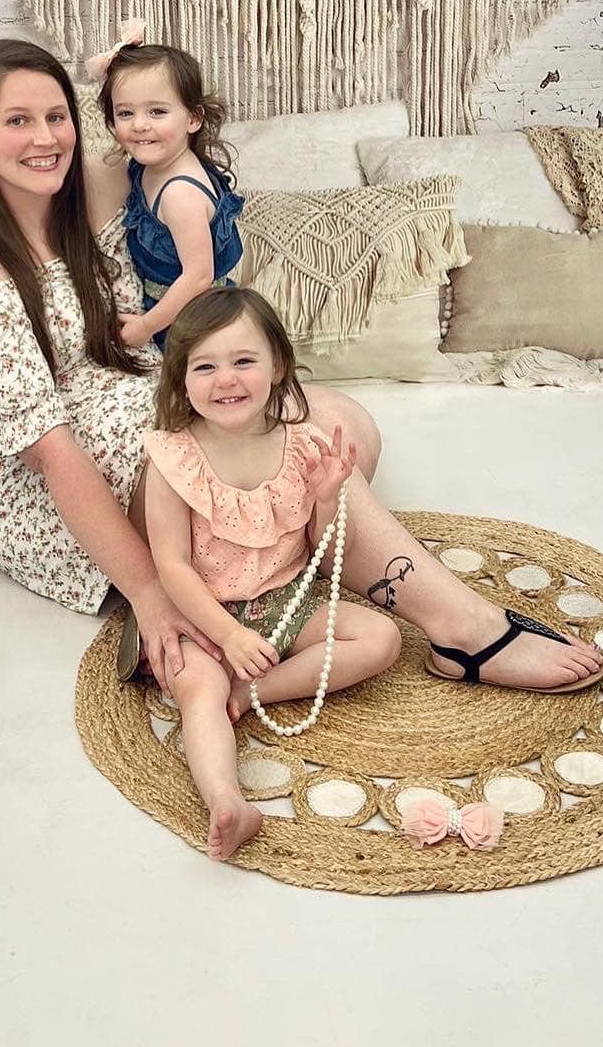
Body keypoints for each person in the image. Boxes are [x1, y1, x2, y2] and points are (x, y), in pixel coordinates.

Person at [0, 38, 603, 698]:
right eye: (16, 120)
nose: (44, 138)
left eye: (56, 117)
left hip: (138, 388)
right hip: (52, 464)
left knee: (347, 427)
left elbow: (159, 125)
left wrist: (121, 67)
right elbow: (52, 455)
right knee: (290, 446)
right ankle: (464, 627)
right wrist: (147, 592)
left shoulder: (98, 184)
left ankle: (256, 566)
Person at [143, 287, 402, 861]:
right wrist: (229, 635)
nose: (225, 380)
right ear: (181, 379)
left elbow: (327, 553)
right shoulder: (172, 458)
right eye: (204, 366)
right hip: (205, 615)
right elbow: (171, 566)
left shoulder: (303, 446)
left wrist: (330, 497)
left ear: (278, 364)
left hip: (286, 601)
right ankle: (226, 801)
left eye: (243, 361)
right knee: (198, 694)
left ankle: (252, 691)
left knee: (381, 637)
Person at [88, 25, 243, 350]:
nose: (139, 124)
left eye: (157, 111)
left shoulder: (180, 194)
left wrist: (144, 327)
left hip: (195, 321)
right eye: (125, 113)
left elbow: (198, 277)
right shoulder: (149, 166)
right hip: (166, 307)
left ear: (192, 118)